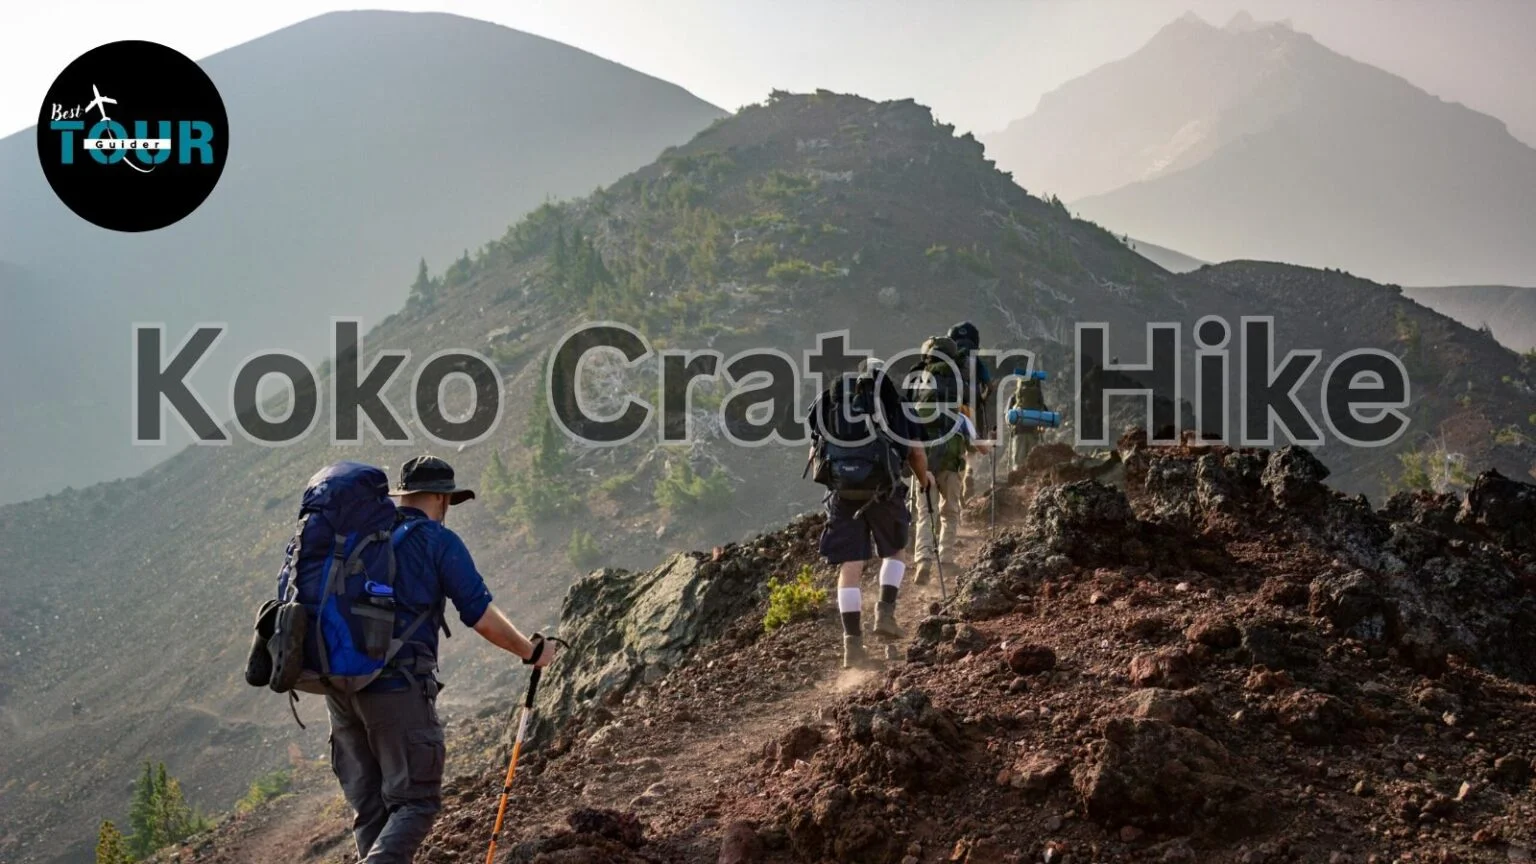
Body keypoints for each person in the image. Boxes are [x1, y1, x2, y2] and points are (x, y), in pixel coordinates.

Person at [327, 455, 558, 864]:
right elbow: (480, 616)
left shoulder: (361, 536)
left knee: (373, 809)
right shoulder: (436, 541)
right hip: (396, 687)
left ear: (404, 495)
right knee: (416, 802)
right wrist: (532, 651)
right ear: (441, 497)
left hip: (339, 685)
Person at [806, 359, 930, 669]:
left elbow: (815, 451)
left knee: (851, 566)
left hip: (843, 495)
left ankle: (852, 646)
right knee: (895, 551)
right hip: (883, 490)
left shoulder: (828, 403)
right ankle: (885, 613)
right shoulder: (894, 405)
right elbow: (916, 452)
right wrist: (924, 480)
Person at [908, 337, 990, 585]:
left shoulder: (917, 400)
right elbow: (978, 445)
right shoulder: (960, 409)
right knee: (950, 512)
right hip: (951, 466)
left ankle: (923, 560)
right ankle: (945, 558)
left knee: (925, 513)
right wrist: (990, 444)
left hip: (923, 466)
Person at [947, 322, 994, 501]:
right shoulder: (976, 361)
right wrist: (982, 398)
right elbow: (989, 386)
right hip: (971, 407)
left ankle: (956, 480)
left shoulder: (948, 361)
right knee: (973, 444)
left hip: (952, 407)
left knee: (954, 445)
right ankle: (970, 472)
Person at [1007, 371, 1053, 475]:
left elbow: (1008, 416)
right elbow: (1044, 411)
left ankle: (1018, 478)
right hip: (1034, 431)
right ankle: (1032, 480)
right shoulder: (1037, 396)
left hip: (1019, 432)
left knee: (1019, 461)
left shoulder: (1015, 397)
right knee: (1033, 460)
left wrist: (1011, 427)